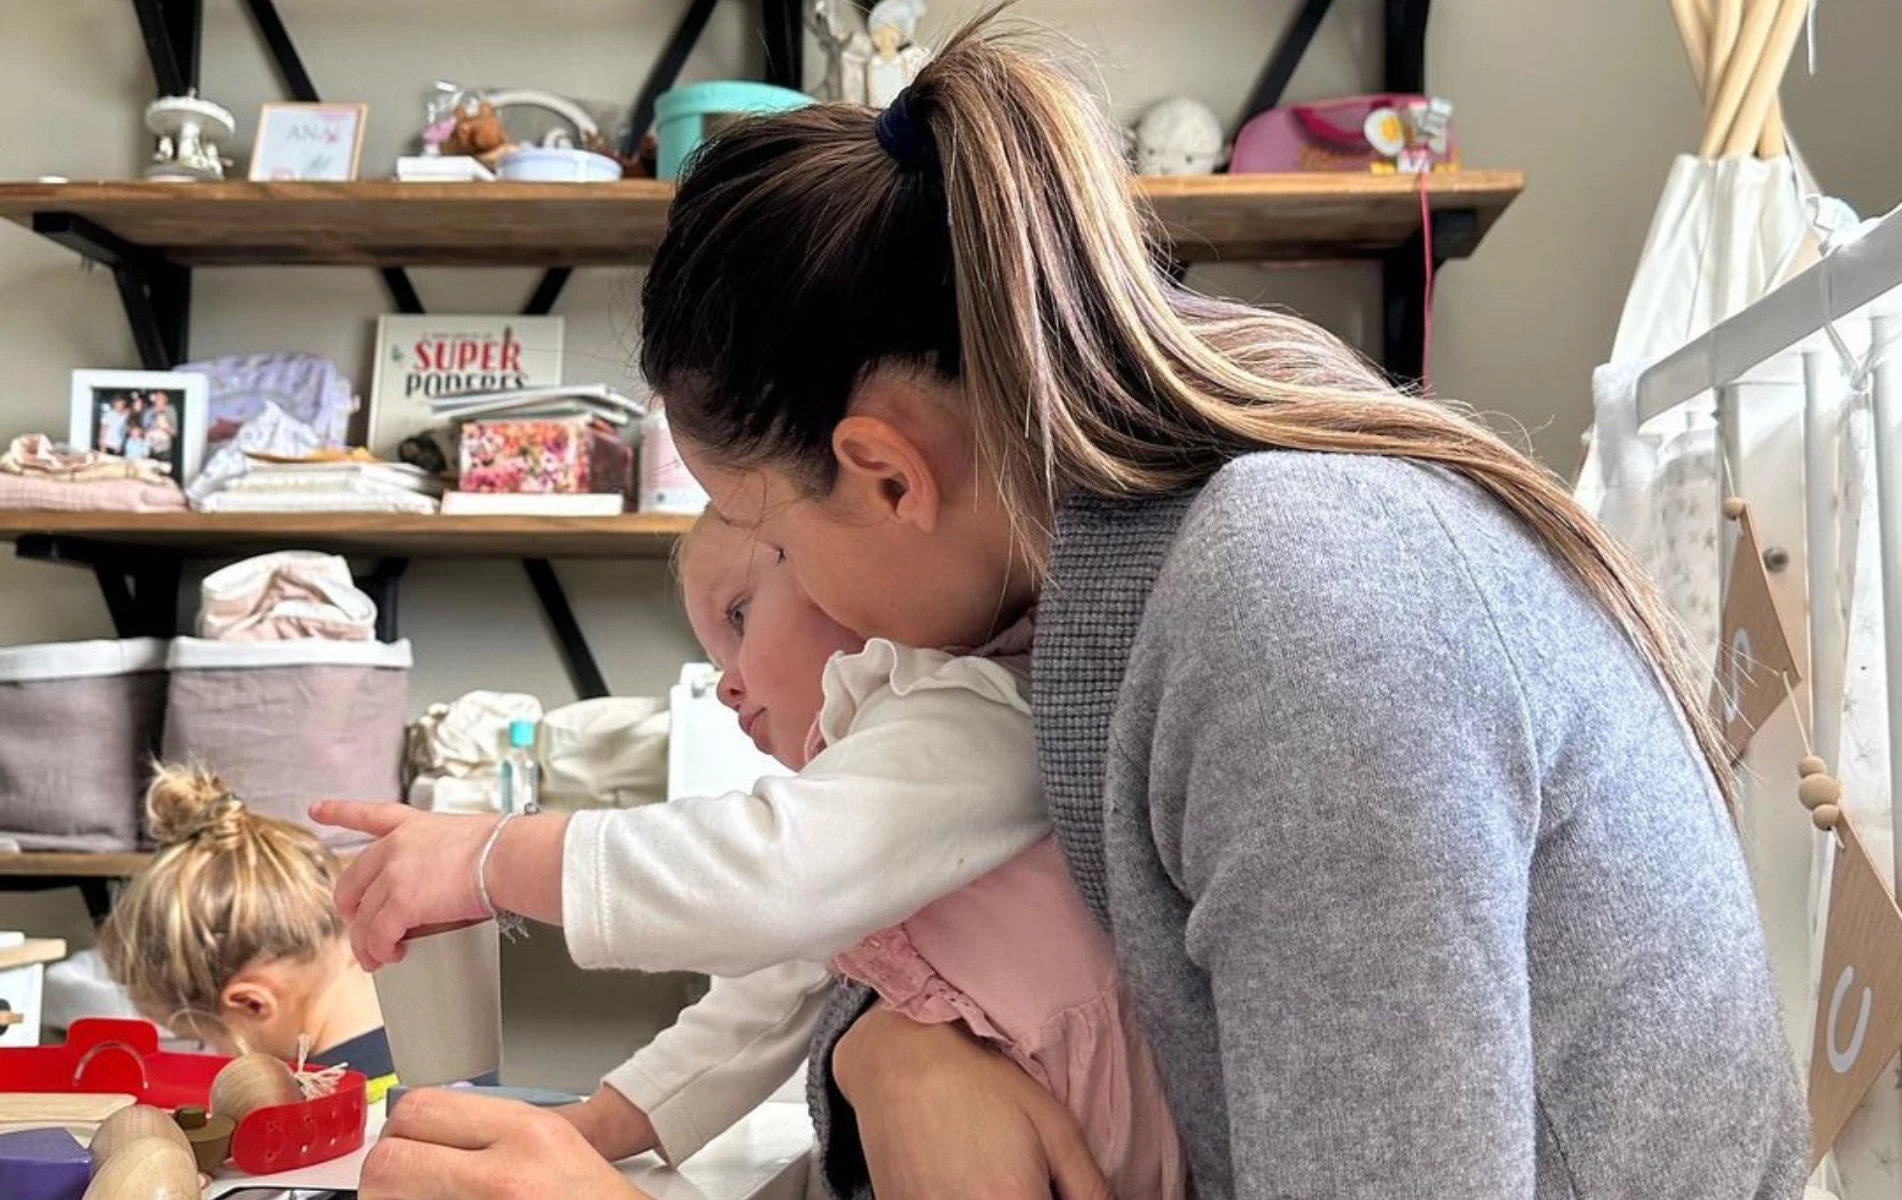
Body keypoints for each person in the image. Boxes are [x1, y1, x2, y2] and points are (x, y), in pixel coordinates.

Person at [342, 15, 1807, 1200]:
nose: (759, 618)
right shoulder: (1114, 551)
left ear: (886, 476)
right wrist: (885, 1061)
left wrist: (495, 873)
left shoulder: (1306, 609)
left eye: (760, 535)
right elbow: (908, 929)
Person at [319, 511, 1184, 1198]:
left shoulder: (974, 710)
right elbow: (763, 1002)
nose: (727, 682)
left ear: (852, 562)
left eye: (738, 618)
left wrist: (491, 856)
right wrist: (592, 1128)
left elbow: (765, 877)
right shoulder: (875, 808)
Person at [97, 764, 400, 1100]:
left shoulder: (311, 1106)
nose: (215, 1052)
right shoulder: (441, 1043)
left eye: (208, 1040)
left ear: (251, 1003)